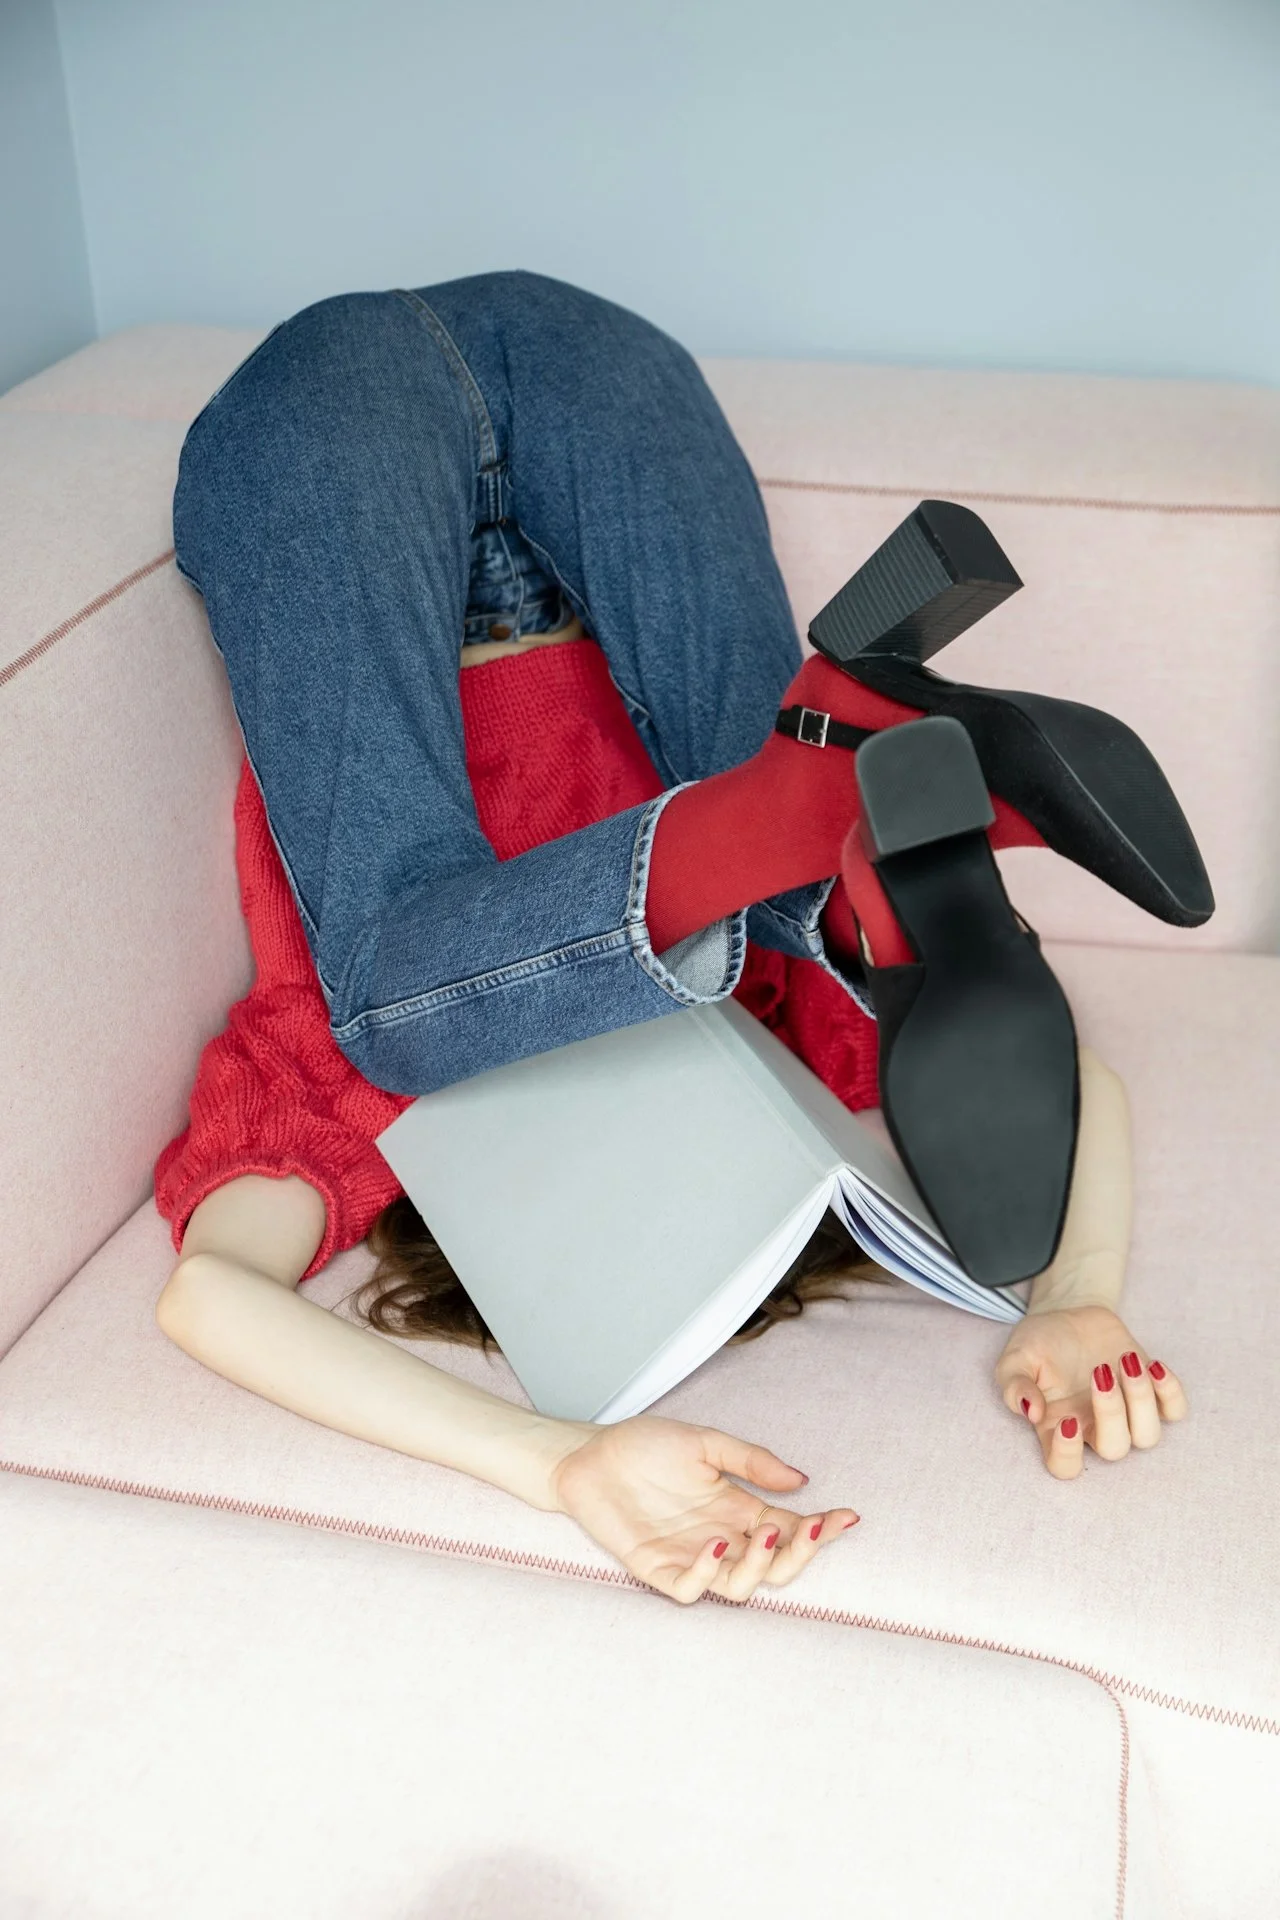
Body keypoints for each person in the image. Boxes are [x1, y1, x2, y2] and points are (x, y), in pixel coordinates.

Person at [154, 271, 1188, 1609]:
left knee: (397, 1005)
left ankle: (804, 800)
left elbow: (209, 1296)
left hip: (352, 406)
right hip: (584, 364)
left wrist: (562, 1465)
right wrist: (1073, 1298)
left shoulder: (370, 1110)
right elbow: (1059, 1082)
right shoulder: (748, 1021)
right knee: (752, 895)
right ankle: (811, 806)